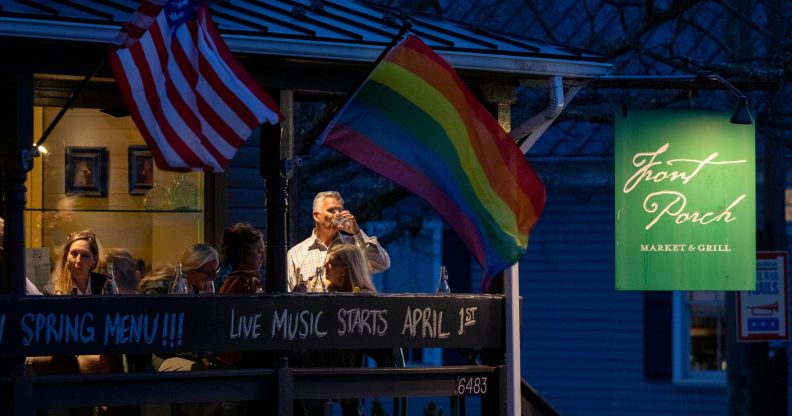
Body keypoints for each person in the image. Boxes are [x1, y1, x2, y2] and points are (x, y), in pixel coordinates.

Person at [287, 191, 390, 292]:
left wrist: (357, 233)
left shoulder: (353, 245)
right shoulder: (296, 253)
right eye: (331, 210)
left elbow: (381, 265)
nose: (337, 215)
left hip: (349, 309)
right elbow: (286, 295)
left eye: (340, 210)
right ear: (316, 216)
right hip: (313, 309)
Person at [43, 229, 107, 295]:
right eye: (74, 254)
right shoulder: (51, 291)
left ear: (95, 259)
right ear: (66, 256)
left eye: (85, 256)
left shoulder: (105, 284)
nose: (78, 260)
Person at [138, 243, 219, 295]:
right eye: (210, 273)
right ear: (192, 272)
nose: (215, 277)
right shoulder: (163, 288)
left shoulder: (197, 288)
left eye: (216, 271)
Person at [218, 222, 265, 294]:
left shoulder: (246, 279)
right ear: (244, 252)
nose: (263, 256)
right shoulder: (242, 281)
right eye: (259, 251)